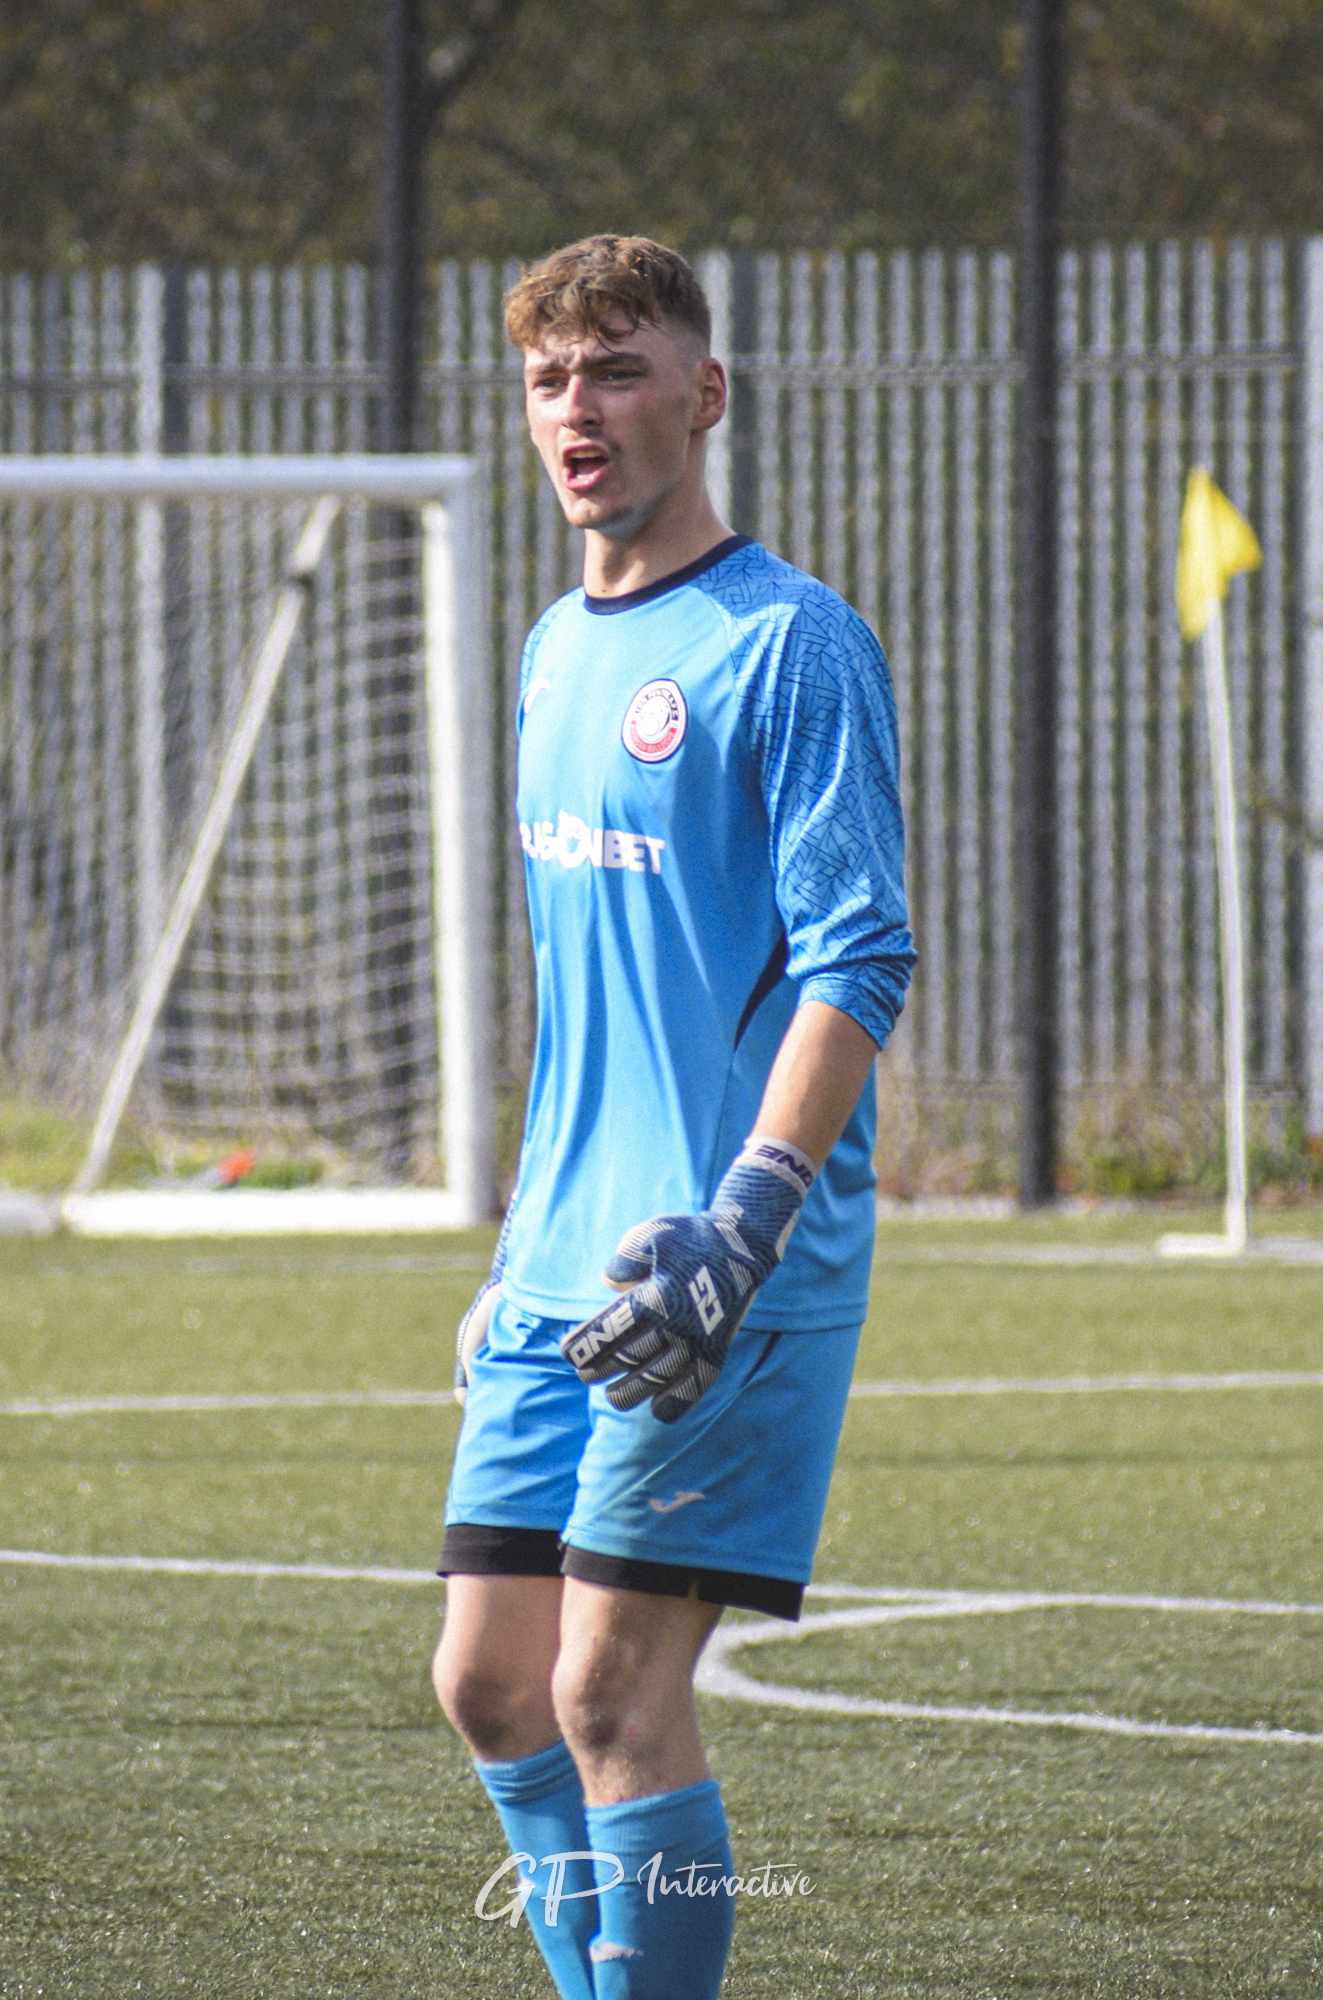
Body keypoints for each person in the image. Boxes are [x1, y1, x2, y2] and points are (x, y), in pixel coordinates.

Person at [429, 234, 914, 2000]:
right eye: (550, 378)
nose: (579, 408)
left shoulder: (792, 644)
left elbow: (861, 956)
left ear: (704, 395)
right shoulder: (555, 650)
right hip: (565, 1260)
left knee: (613, 1692)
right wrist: (517, 1251)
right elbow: (589, 1006)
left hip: (723, 1267)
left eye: (617, 370)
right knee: (491, 1682)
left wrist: (745, 1220)